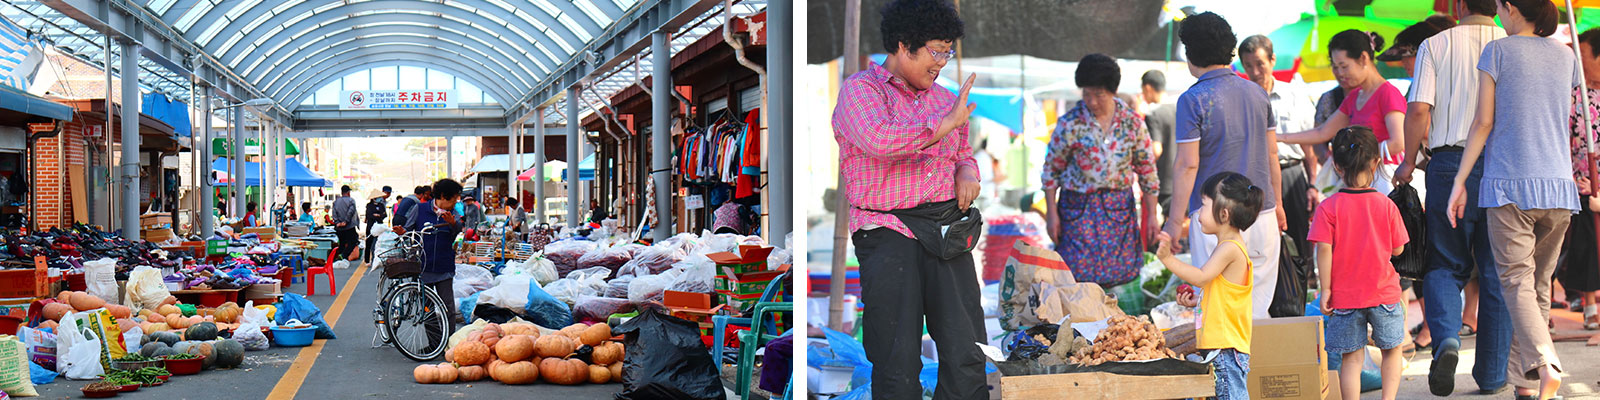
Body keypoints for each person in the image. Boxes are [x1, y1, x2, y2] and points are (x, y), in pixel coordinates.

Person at [831, 0, 984, 398]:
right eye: (936, 51)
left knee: (967, 349)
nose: (942, 63)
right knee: (896, 357)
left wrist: (968, 172)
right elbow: (880, 140)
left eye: (947, 53)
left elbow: (962, 152)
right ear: (903, 45)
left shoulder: (944, 99)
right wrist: (943, 124)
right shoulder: (860, 91)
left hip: (947, 228)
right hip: (888, 229)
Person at [1447, 1, 1577, 398]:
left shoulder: (1498, 51)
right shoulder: (1566, 55)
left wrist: (1459, 181)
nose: (1499, 14)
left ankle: (1545, 363)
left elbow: (1483, 122)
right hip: (1558, 186)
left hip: (1510, 186)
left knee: (1517, 283)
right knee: (1536, 285)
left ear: (1513, 8)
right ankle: (1526, 385)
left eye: (1501, 7)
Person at [1392, 1, 1509, 394]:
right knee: (1496, 269)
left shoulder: (1436, 44)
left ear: (1459, 5)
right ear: (1498, 6)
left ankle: (1445, 338)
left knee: (1444, 263)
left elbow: (1418, 110)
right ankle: (1492, 375)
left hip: (1447, 164)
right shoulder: (1510, 42)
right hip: (1501, 164)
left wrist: (1408, 161)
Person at [1164, 12, 1284, 318]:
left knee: (1219, 309)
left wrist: (1174, 223)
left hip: (1216, 218)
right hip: (1263, 212)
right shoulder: (1258, 93)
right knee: (1257, 308)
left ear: (1190, 54)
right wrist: (1279, 204)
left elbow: (1187, 165)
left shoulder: (1193, 99)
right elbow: (1272, 154)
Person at [1309, 127, 1410, 400]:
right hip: (1383, 292)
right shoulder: (1386, 205)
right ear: (1376, 163)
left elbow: (1323, 251)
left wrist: (1326, 290)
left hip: (1345, 296)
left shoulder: (1328, 208)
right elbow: (1398, 249)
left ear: (1337, 166)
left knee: (1351, 359)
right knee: (1392, 350)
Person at [1042, 53, 1160, 287]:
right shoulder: (1069, 123)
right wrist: (1051, 215)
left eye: (1099, 94)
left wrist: (1152, 216)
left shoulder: (1132, 123)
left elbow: (1147, 172)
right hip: (1077, 214)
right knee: (1077, 280)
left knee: (1121, 278)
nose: (1092, 101)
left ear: (1113, 91)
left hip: (1118, 212)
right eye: (1087, 94)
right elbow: (1050, 172)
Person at [1154, 172, 1263, 400]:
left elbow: (1202, 277)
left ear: (1223, 214)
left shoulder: (1230, 248)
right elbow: (1222, 293)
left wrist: (1168, 259)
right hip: (1219, 345)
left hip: (1225, 348)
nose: (1198, 213)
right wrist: (1199, 300)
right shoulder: (1226, 246)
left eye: (1203, 205)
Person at [1280, 30, 1407, 195]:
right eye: (1335, 67)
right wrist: (1279, 137)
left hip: (1386, 182)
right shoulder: (1355, 96)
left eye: (1344, 66)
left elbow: (1398, 143)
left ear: (1363, 58)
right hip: (1361, 183)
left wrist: (1356, 158)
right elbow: (1321, 132)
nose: (1339, 73)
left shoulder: (1388, 93)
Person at [1238, 34, 1319, 280]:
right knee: (1259, 243)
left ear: (1272, 60)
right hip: (1256, 179)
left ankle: (1301, 291)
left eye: (1260, 64)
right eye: (1248, 65)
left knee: (1298, 239)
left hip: (1292, 175)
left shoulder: (1294, 96)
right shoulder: (1242, 99)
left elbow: (1309, 146)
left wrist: (1313, 184)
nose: (1255, 72)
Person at [1562, 27, 1600, 332]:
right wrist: (1571, 177)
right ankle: (1589, 304)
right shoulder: (1573, 94)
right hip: (1579, 183)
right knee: (1585, 244)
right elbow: (1563, 138)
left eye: (1583, 54)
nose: (1579, 60)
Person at [404, 178, 464, 325]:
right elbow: (408, 230)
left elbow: (457, 232)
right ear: (443, 196)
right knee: (427, 309)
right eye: (454, 198)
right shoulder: (420, 209)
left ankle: (449, 338)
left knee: (448, 308)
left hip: (444, 266)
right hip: (423, 266)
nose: (456, 202)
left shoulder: (453, 214)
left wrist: (452, 224)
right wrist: (402, 232)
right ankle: (434, 339)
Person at [1141, 70, 1177, 217]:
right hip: (1184, 178)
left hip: (1165, 182)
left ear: (1148, 88)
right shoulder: (1179, 109)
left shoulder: (1153, 114)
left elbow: (1156, 150)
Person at [331, 185, 360, 265]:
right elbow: (351, 211)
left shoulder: (336, 202)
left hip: (339, 227)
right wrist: (345, 221)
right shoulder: (351, 201)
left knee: (342, 242)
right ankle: (343, 255)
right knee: (353, 241)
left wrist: (337, 222)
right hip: (349, 226)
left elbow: (334, 213)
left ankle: (340, 257)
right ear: (348, 192)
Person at [364, 189, 390, 264]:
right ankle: (367, 260)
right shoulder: (369, 205)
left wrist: (378, 215)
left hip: (379, 226)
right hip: (371, 226)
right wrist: (377, 215)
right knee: (369, 243)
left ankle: (377, 259)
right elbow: (369, 215)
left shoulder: (381, 205)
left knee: (378, 243)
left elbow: (384, 214)